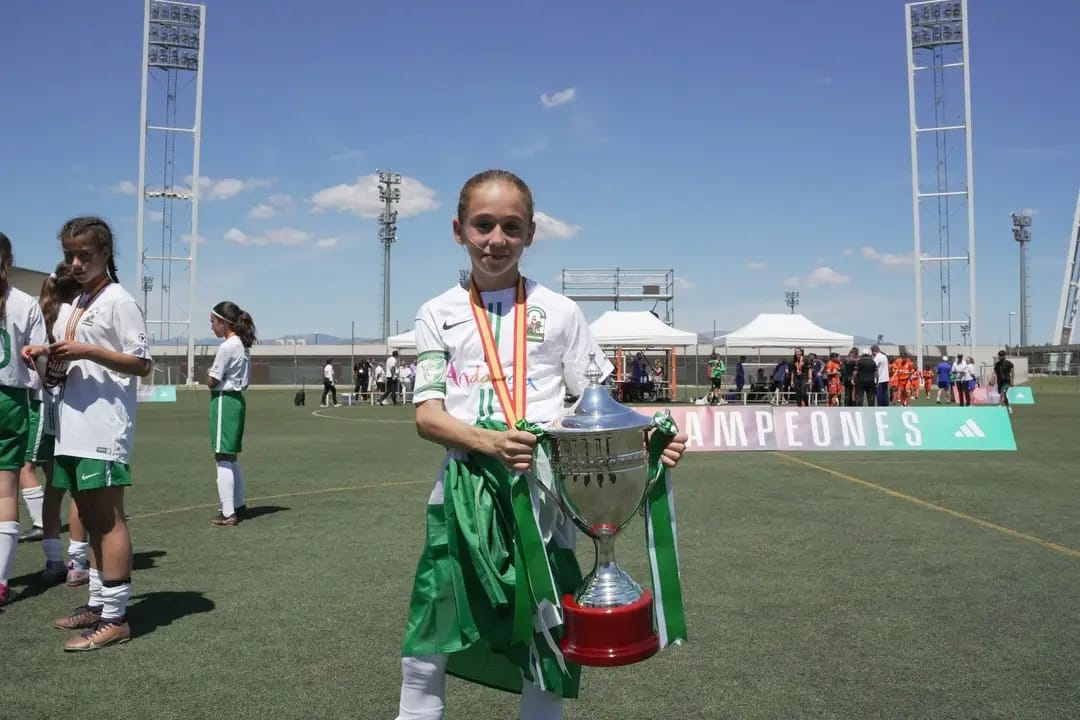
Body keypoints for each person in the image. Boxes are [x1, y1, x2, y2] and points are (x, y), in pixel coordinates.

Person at [394, 169, 689, 720]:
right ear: (458, 230)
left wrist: (650, 439)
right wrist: (489, 441)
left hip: (546, 498)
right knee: (426, 647)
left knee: (548, 645)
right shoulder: (436, 312)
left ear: (530, 233)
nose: (496, 240)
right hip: (461, 495)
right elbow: (428, 417)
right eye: (483, 225)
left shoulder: (561, 311)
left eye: (511, 227)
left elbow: (596, 405)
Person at [23, 217, 152, 650]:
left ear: (105, 254)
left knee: (108, 519)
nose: (76, 263)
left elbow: (141, 363)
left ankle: (116, 619)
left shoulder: (119, 300)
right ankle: (98, 604)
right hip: (71, 425)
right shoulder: (77, 300)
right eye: (69, 256)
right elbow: (74, 357)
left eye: (85, 255)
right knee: (89, 518)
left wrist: (86, 350)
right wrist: (44, 352)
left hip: (103, 426)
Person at [32, 263, 90, 585]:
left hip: (46, 410)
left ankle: (54, 560)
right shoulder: (74, 317)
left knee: (53, 490)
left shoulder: (44, 314)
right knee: (80, 489)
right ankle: (77, 562)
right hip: (73, 410)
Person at [0, 232, 49, 605]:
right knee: (5, 491)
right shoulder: (25, 303)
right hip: (11, 399)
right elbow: (41, 358)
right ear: (10, 260)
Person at [207, 301, 256, 526]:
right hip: (237, 401)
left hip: (224, 400)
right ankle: (238, 504)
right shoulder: (243, 346)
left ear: (224, 322)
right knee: (231, 455)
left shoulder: (227, 347)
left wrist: (209, 375)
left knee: (222, 455)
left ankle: (228, 512)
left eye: (213, 322)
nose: (211, 326)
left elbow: (213, 380)